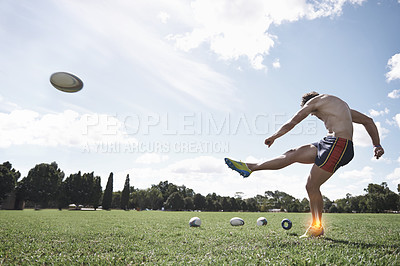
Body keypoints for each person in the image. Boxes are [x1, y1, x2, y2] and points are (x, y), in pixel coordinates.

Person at [225, 92, 384, 238]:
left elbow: (293, 121)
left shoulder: (317, 101)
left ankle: (317, 227)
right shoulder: (339, 106)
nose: (314, 116)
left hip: (339, 145)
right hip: (328, 142)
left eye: (313, 114)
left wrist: (274, 136)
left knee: (311, 186)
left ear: (310, 104)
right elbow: (367, 121)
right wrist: (376, 145)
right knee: (293, 153)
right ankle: (250, 167)